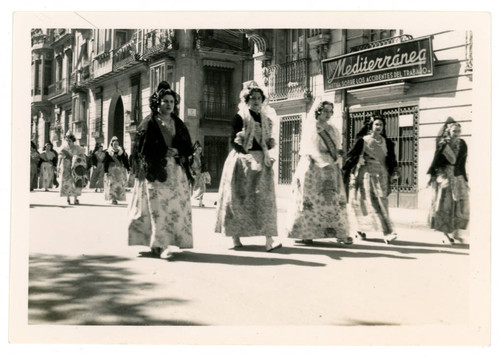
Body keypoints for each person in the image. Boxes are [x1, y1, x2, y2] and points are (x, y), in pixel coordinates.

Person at [215, 80, 281, 252]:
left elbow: (265, 141)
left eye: (259, 98)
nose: (256, 101)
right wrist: (246, 156)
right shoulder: (240, 117)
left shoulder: (266, 119)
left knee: (265, 200)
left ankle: (269, 239)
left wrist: (270, 144)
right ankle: (235, 237)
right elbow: (234, 141)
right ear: (247, 100)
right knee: (238, 199)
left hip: (262, 161)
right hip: (242, 160)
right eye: (253, 98)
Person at [128, 87, 194, 259]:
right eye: (165, 101)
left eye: (171, 102)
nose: (169, 104)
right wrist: (163, 152)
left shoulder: (178, 123)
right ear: (157, 103)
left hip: (175, 172)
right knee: (157, 208)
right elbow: (141, 149)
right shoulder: (148, 123)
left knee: (171, 208)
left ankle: (166, 242)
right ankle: (159, 244)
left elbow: (187, 146)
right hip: (155, 171)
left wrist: (178, 151)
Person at [286, 101, 352, 245]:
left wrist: (338, 154)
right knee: (310, 200)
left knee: (333, 200)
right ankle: (306, 233)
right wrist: (322, 162)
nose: (327, 114)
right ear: (318, 112)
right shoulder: (313, 128)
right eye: (325, 111)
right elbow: (310, 148)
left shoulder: (333, 129)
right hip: (313, 167)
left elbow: (335, 147)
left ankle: (339, 233)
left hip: (331, 166)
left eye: (330, 111)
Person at [343, 115, 398, 244]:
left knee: (382, 203)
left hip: (382, 175)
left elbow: (391, 159)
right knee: (366, 204)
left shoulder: (387, 142)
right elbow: (352, 157)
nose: (379, 127)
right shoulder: (364, 141)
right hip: (367, 176)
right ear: (371, 126)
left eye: (381, 125)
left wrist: (394, 172)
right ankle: (367, 230)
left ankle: (386, 231)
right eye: (376, 124)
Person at [427, 118, 469, 244]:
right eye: (454, 131)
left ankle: (456, 233)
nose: (456, 133)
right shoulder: (443, 144)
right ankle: (445, 234)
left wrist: (465, 180)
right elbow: (436, 162)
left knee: (461, 205)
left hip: (458, 176)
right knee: (444, 205)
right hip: (445, 175)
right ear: (448, 131)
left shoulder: (462, 144)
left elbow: (462, 163)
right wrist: (435, 177)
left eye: (458, 131)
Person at [57, 131, 87, 205]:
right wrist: (58, 166)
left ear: (73, 141)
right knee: (67, 182)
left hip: (75, 167)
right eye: (67, 141)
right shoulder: (64, 148)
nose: (68, 142)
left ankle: (76, 198)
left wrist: (77, 159)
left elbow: (83, 157)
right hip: (66, 167)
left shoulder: (78, 148)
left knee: (75, 181)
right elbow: (60, 158)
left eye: (69, 141)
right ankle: (68, 198)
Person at [103, 137, 130, 205]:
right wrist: (105, 171)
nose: (115, 145)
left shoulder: (121, 152)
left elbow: (125, 161)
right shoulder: (108, 152)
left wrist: (128, 168)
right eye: (114, 144)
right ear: (112, 144)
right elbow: (106, 162)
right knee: (112, 184)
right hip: (111, 171)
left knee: (119, 184)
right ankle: (113, 199)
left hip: (119, 171)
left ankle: (118, 197)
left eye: (117, 144)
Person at [190, 141, 209, 207]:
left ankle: (200, 202)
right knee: (193, 188)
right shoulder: (191, 157)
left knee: (202, 188)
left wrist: (204, 171)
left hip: (201, 174)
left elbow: (204, 165)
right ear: (195, 149)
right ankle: (191, 201)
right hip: (194, 174)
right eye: (198, 149)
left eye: (201, 149)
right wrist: (192, 172)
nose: (200, 151)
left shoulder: (202, 157)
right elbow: (189, 166)